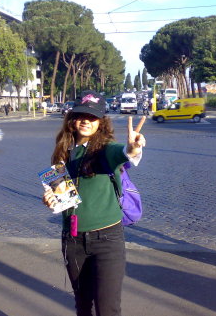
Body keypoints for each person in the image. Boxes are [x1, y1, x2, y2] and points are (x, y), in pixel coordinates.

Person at [42, 90, 146, 316]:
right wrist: (50, 199)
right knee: (83, 306)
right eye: (81, 115)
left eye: (93, 117)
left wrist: (132, 148)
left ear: (101, 121)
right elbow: (59, 196)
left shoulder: (103, 149)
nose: (86, 121)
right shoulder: (63, 153)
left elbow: (120, 153)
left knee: (107, 309)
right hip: (73, 241)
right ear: (72, 119)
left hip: (107, 240)